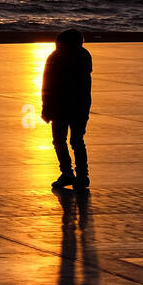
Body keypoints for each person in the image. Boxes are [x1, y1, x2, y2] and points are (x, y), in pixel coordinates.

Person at [41, 28, 92, 191]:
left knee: (60, 141)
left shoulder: (55, 57)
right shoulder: (84, 56)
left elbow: (47, 85)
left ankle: (68, 173)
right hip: (80, 106)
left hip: (60, 106)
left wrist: (46, 108)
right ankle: (82, 176)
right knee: (77, 141)